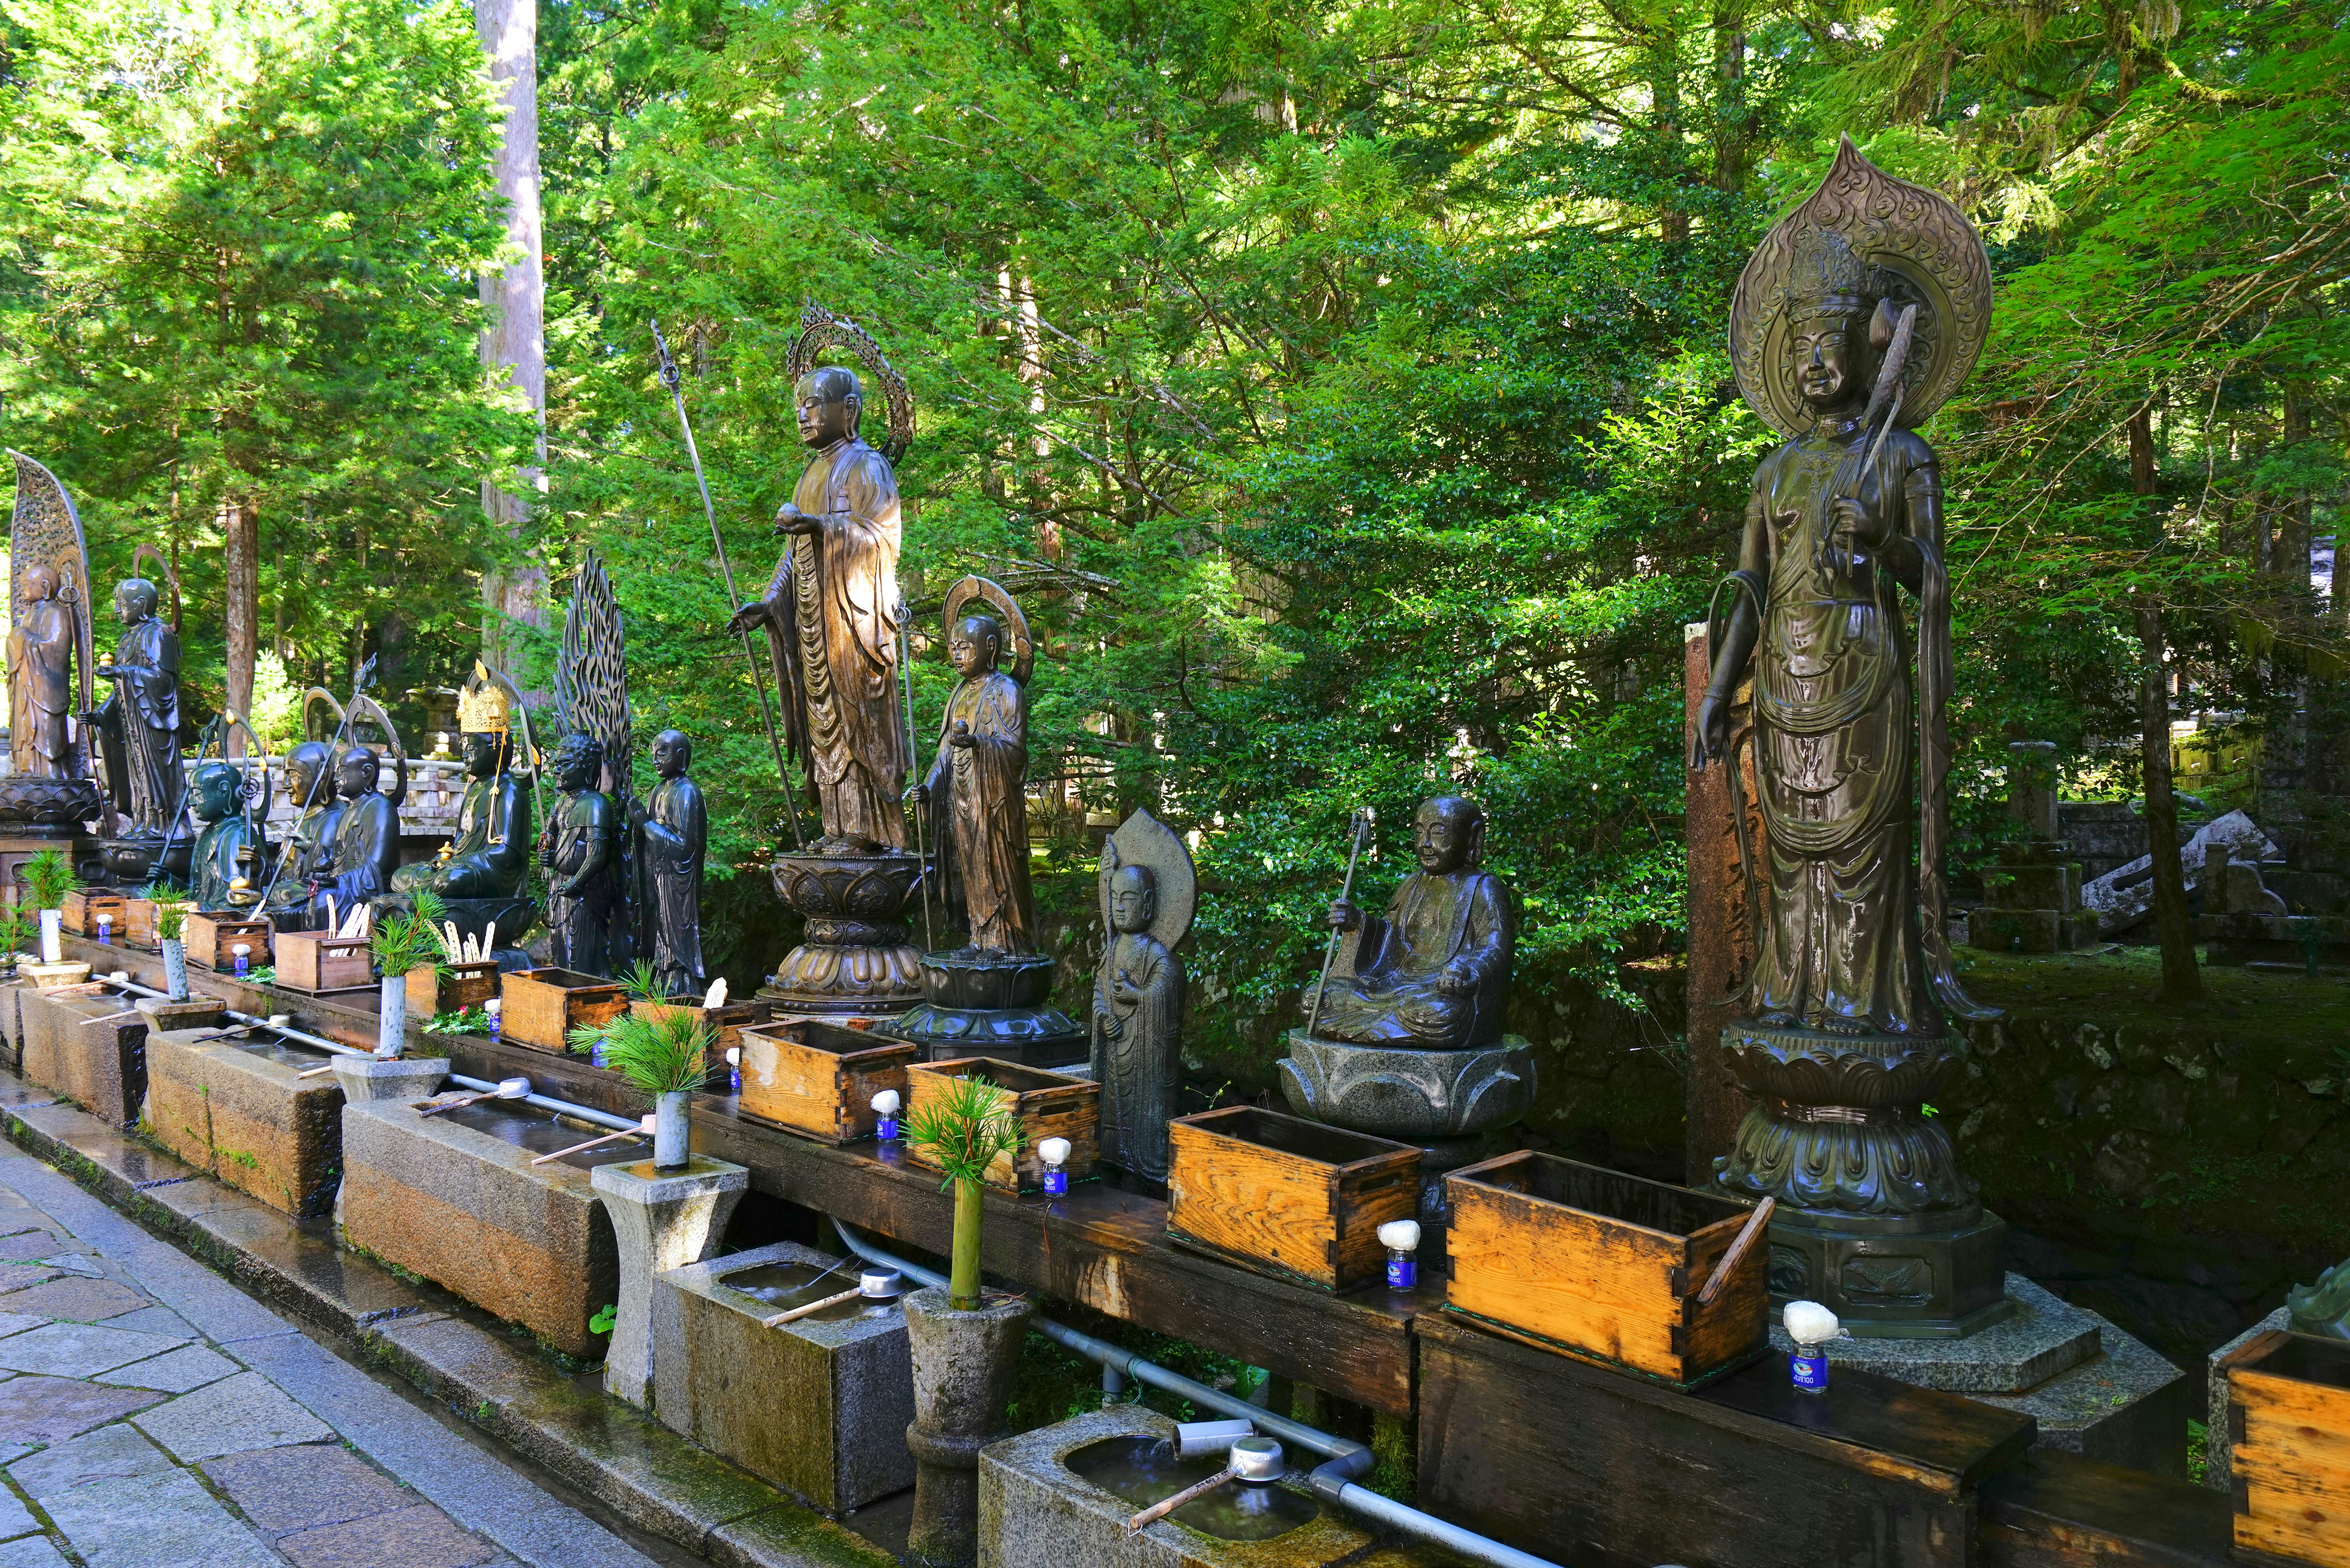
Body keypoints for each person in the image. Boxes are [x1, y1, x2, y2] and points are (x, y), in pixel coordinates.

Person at [726, 365, 908, 852]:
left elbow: (882, 541)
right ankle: (836, 827)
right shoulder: (810, 475)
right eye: (799, 406)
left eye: (814, 403)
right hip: (813, 625)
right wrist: (767, 604)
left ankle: (869, 833)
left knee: (855, 722)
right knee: (822, 725)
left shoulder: (868, 466)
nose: (803, 414)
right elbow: (794, 557)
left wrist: (821, 525)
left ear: (848, 410)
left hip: (854, 625)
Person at [1312, 796, 1515, 1050]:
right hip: (1392, 984)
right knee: (1319, 997)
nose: (1426, 844)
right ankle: (1381, 1025)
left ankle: (1373, 1025)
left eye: (1439, 833)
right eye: (1420, 833)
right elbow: (1389, 933)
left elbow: (1495, 948)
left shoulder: (1484, 887)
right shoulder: (1411, 884)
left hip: (1436, 991)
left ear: (1473, 837)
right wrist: (1357, 922)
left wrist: (1468, 971)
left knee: (1439, 1013)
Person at [912, 613, 1034, 955]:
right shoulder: (958, 694)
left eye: (965, 647)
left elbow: (1015, 754)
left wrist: (979, 745)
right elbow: (943, 756)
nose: (957, 655)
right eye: (953, 648)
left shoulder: (1008, 691)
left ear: (990, 648)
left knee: (996, 867)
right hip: (959, 799)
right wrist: (929, 788)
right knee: (969, 868)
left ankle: (1008, 943)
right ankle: (979, 939)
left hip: (993, 802)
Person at [1091, 860, 1183, 1183]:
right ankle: (1112, 1159)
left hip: (1146, 1063)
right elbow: (1100, 993)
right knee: (1112, 1122)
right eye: (1114, 897)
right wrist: (1103, 1019)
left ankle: (1147, 1170)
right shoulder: (1112, 949)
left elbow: (1167, 987)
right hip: (1116, 1052)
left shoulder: (1157, 954)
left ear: (1147, 902)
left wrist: (1138, 995)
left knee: (1146, 1127)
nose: (1118, 906)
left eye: (1127, 898)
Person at [87, 578, 180, 835]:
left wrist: (121, 671)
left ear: (141, 604)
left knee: (154, 775)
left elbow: (164, 680)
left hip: (152, 723)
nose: (117, 610)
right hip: (133, 725)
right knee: (137, 775)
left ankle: (162, 826)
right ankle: (143, 822)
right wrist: (100, 714)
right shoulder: (128, 638)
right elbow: (121, 689)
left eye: (121, 603)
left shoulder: (160, 634)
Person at [538, 733, 617, 975]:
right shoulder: (560, 803)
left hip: (585, 889)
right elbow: (549, 835)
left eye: (565, 764)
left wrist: (576, 882)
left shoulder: (595, 804)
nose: (557, 770)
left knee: (581, 952)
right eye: (556, 764)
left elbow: (597, 855)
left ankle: (591, 997)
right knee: (560, 948)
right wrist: (545, 855)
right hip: (562, 886)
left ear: (587, 765)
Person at [637, 729, 705, 997]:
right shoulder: (658, 791)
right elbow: (648, 838)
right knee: (660, 932)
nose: (656, 759)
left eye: (662, 753)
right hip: (660, 877)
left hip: (681, 882)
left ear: (681, 756)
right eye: (654, 754)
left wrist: (646, 825)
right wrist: (640, 828)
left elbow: (685, 847)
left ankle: (682, 985)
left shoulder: (688, 793)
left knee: (679, 930)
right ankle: (663, 981)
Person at [7, 565, 74, 778]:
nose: (22, 590)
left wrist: (22, 637)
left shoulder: (57, 613)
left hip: (44, 689)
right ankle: (25, 768)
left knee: (44, 729)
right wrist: (22, 636)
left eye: (27, 585)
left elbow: (56, 650)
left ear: (45, 586)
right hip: (25, 687)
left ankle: (48, 774)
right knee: (24, 728)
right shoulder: (28, 616)